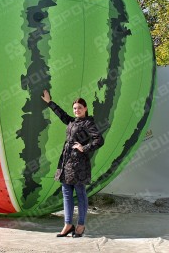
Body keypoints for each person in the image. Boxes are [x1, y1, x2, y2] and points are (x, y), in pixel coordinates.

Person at [41, 89, 104, 238]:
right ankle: (68, 224)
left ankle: (81, 225)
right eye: (75, 108)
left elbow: (99, 140)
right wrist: (50, 102)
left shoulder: (88, 122)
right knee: (67, 194)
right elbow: (62, 115)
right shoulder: (72, 121)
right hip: (66, 162)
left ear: (85, 109)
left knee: (80, 194)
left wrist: (84, 148)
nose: (77, 110)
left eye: (79, 108)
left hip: (79, 165)